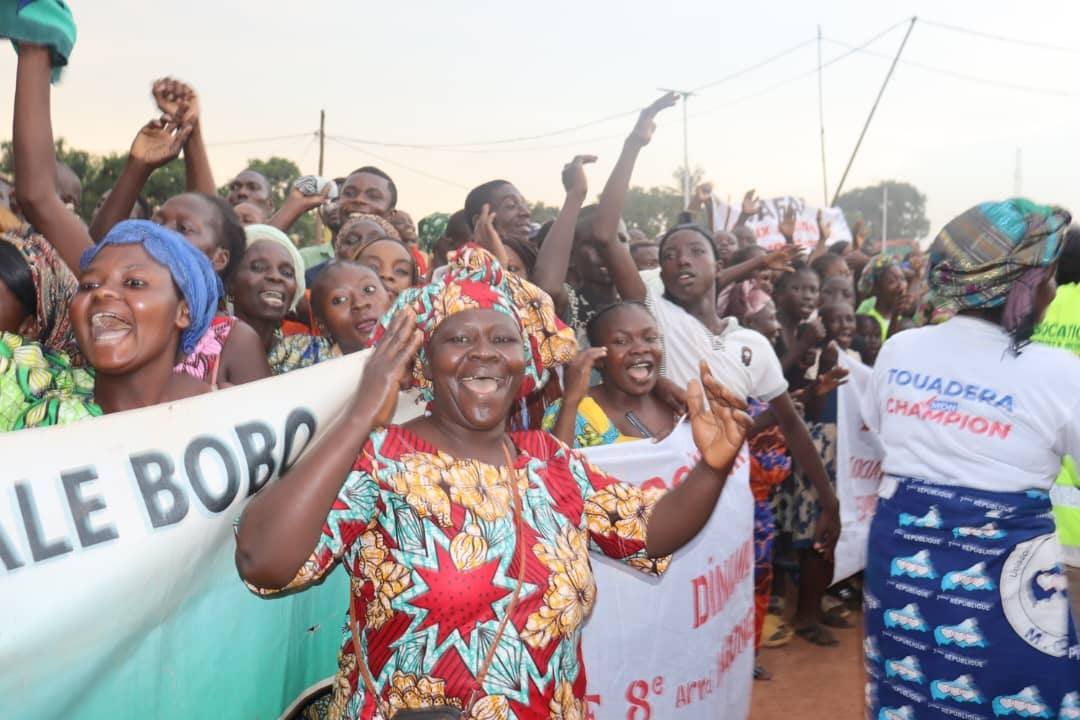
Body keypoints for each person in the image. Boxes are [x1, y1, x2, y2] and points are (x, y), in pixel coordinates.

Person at [235, 245, 752, 718]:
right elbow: (267, 564)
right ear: (424, 361)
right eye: (458, 338)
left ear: (523, 362)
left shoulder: (550, 462)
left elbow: (648, 531)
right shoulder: (382, 459)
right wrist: (359, 415)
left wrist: (712, 467)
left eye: (502, 338)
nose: (483, 352)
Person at [861, 199, 1080, 718]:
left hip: (900, 562)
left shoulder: (900, 350)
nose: (1052, 290)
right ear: (1028, 285)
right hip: (1006, 578)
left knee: (909, 692)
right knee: (1025, 693)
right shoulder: (1057, 372)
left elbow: (880, 430)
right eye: (1047, 277)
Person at [73, 219, 220, 413]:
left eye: (134, 283)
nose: (102, 293)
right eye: (89, 285)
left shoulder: (221, 414)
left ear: (183, 313)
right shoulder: (33, 410)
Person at [543, 302, 676, 448]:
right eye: (621, 341)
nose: (640, 349)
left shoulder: (678, 405)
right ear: (598, 358)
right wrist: (571, 400)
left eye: (650, 338)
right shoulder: (572, 412)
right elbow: (555, 465)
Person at [231, 224, 330, 375]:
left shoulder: (308, 353)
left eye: (287, 272)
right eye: (258, 267)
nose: (275, 277)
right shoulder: (205, 349)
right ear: (230, 282)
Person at [309, 260, 392, 356]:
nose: (360, 303)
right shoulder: (320, 369)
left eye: (369, 290)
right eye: (341, 299)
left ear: (391, 300)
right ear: (323, 326)